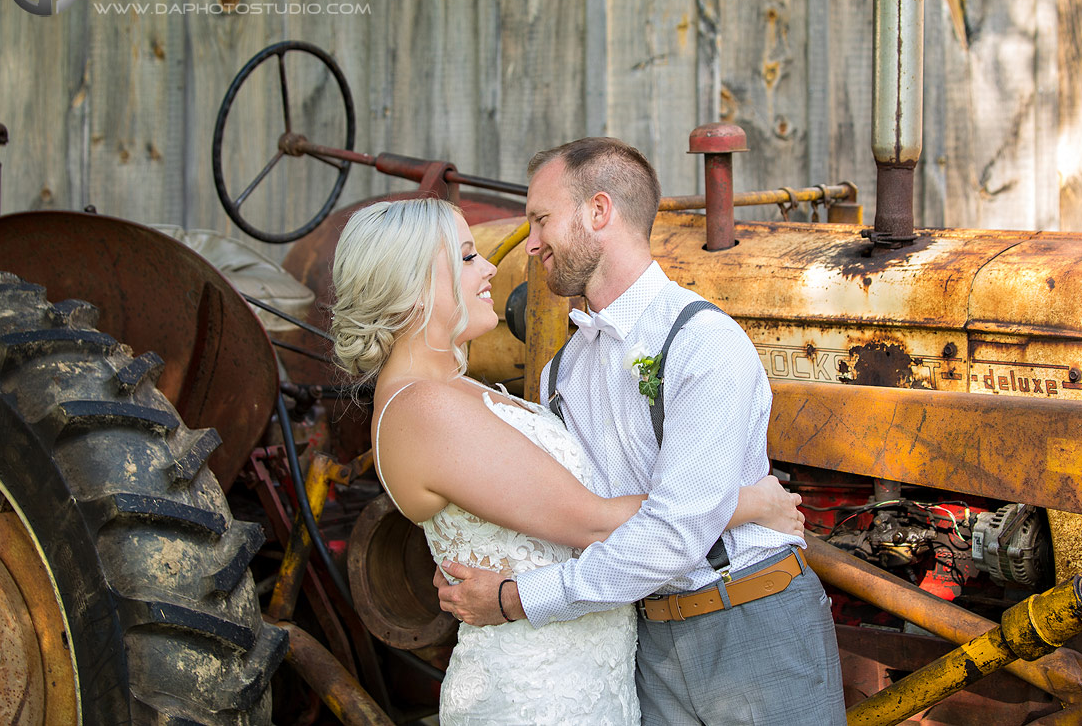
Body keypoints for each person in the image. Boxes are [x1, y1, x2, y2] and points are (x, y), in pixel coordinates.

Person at [330, 197, 806, 724]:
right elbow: (593, 521)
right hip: (539, 693)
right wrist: (751, 503)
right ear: (412, 286)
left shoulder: (450, 389)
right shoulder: (424, 408)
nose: (489, 268)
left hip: (592, 676)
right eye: (466, 257)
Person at [436, 138, 846, 725]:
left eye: (542, 219)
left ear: (598, 211)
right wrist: (466, 553)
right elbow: (579, 514)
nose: (531, 243)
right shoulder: (562, 373)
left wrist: (515, 598)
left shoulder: (702, 342)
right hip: (644, 643)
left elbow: (676, 534)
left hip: (751, 624)